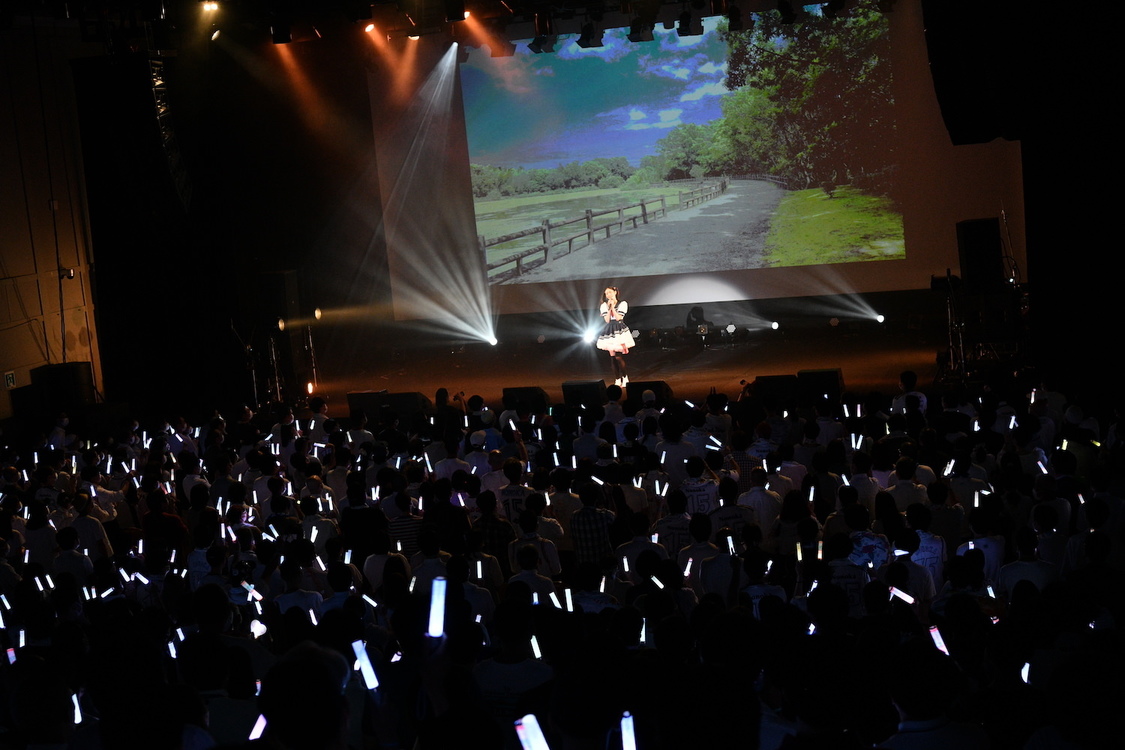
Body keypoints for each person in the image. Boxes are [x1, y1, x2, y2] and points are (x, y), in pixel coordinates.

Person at [597, 286, 635, 387]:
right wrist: (609, 308)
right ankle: (617, 379)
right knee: (612, 357)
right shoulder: (604, 305)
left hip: (619, 330)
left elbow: (619, 318)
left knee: (618, 357)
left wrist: (613, 306)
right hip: (609, 330)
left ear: (615, 292)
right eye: (606, 293)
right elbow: (607, 320)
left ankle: (625, 377)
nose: (608, 295)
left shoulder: (622, 304)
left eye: (610, 292)